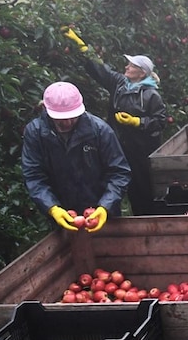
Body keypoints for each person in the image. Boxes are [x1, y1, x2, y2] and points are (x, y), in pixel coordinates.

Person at [63, 26, 167, 215]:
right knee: (111, 181)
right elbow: (101, 70)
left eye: (132, 65)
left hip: (140, 150)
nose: (126, 67)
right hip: (116, 144)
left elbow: (159, 122)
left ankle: (145, 220)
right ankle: (112, 218)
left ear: (141, 73)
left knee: (140, 187)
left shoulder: (151, 95)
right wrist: (83, 49)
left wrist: (137, 122)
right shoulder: (119, 84)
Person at [22, 81, 132, 233]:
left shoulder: (100, 131)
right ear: (45, 109)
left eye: (72, 117)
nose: (67, 122)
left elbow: (119, 172)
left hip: (99, 212)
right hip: (62, 214)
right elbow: (34, 176)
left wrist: (105, 206)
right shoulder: (35, 133)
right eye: (60, 118)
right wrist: (52, 207)